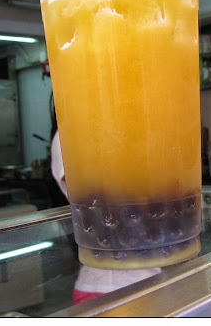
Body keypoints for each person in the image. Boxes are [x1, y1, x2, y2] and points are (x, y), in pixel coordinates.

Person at [50, 128, 160, 305]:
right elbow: (95, 196)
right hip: (104, 289)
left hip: (152, 279)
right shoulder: (70, 130)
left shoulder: (131, 127)